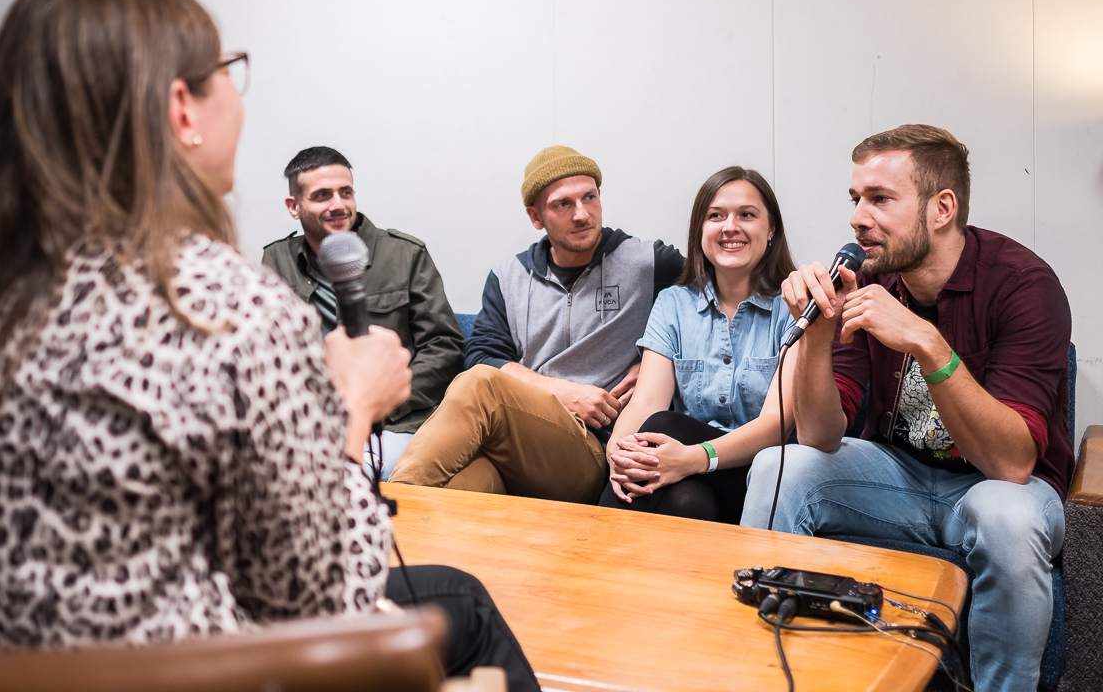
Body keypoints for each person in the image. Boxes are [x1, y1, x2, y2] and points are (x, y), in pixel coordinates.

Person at [0, 0, 538, 691]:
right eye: (227, 71)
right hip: (185, 673)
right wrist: (352, 407)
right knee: (463, 603)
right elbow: (322, 599)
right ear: (182, 110)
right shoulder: (219, 306)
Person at [741, 124, 1074, 692]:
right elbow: (821, 435)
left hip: (999, 488)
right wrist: (821, 334)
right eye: (855, 199)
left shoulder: (1025, 285)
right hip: (901, 478)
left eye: (880, 199)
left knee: (1006, 515)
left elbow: (1014, 465)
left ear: (942, 207)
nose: (856, 216)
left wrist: (928, 343)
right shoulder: (871, 277)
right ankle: (763, 674)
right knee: (780, 466)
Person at [390, 146, 683, 503]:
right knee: (451, 493)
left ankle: (377, 520)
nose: (581, 214)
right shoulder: (508, 277)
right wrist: (560, 391)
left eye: (589, 197)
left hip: (593, 450)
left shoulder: (647, 262)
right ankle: (389, 537)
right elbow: (482, 356)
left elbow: (717, 293)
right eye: (563, 204)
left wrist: (656, 359)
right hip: (518, 448)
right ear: (535, 216)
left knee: (481, 386)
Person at [598, 167, 797, 523]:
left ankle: (589, 558)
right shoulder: (673, 303)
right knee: (687, 500)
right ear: (700, 231)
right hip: (686, 472)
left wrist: (694, 457)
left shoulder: (795, 305)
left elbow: (777, 424)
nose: (729, 226)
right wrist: (618, 450)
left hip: (762, 475)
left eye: (747, 215)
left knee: (664, 426)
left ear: (771, 231)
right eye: (715, 216)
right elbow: (645, 400)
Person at [262, 146, 463, 479]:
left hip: (392, 424)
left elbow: (444, 347)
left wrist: (376, 403)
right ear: (293, 207)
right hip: (309, 422)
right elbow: (270, 355)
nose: (338, 205)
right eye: (322, 195)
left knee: (346, 477)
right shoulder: (276, 262)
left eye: (346, 192)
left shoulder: (404, 254)